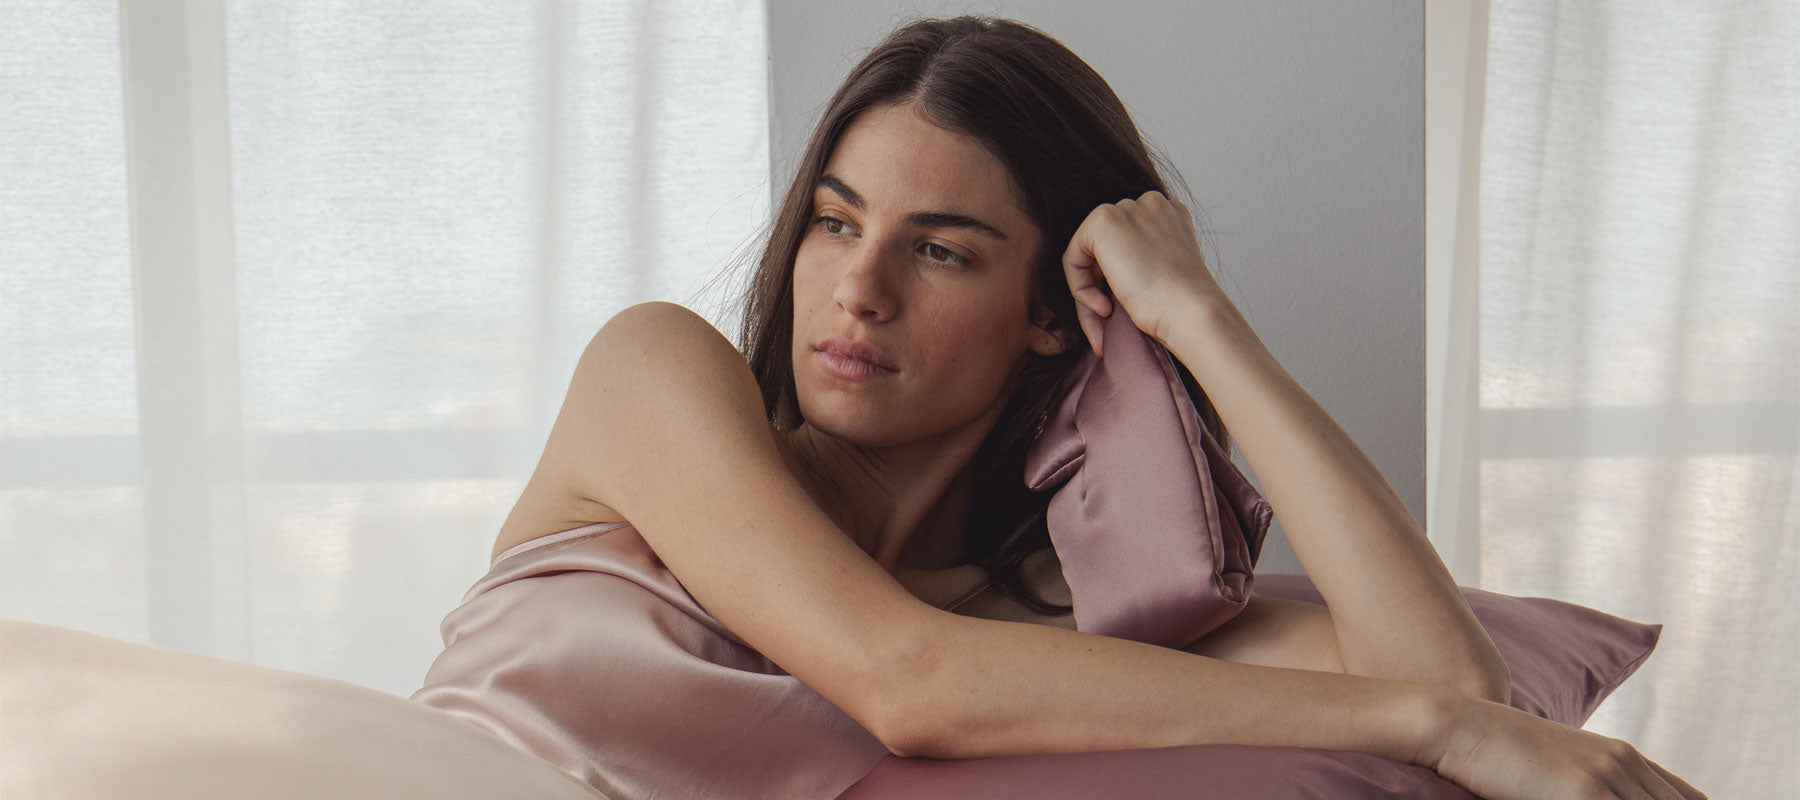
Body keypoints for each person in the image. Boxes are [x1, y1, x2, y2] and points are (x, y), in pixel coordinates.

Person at [443, 15, 1704, 800]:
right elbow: (909, 683)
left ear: (1053, 312)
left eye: (939, 250)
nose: (858, 289)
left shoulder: (1042, 633)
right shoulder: (656, 371)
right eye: (836, 222)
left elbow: (1452, 680)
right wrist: (1438, 728)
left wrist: (1202, 321)